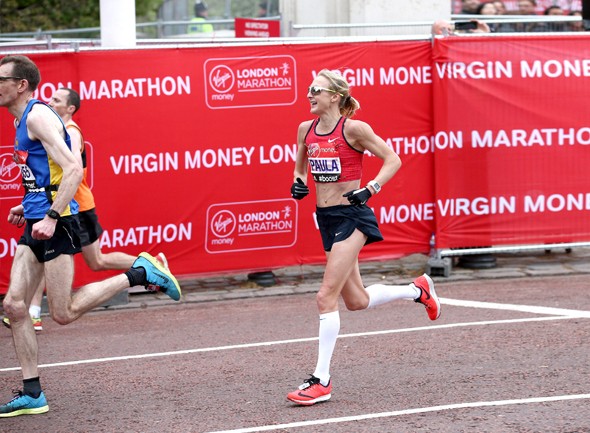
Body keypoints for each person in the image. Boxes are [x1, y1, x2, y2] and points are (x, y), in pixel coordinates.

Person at [0, 55, 181, 418]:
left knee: (63, 312)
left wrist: (52, 216)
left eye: (0, 79)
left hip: (57, 222)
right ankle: (33, 393)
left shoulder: (36, 116)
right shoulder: (20, 118)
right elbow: (45, 174)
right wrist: (28, 203)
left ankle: (140, 274)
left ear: (21, 85)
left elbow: (73, 168)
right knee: (14, 307)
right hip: (36, 218)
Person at [286, 69, 441, 406]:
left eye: (316, 90)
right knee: (356, 301)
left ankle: (321, 380)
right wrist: (298, 181)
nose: (309, 95)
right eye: (309, 89)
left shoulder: (354, 129)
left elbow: (392, 159)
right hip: (326, 219)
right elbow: (300, 167)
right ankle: (418, 290)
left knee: (325, 296)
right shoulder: (305, 130)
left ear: (335, 96)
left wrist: (370, 189)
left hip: (352, 217)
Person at [2, 87, 169, 333]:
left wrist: (51, 209)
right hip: (55, 204)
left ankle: (150, 266)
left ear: (70, 108)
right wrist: (29, 202)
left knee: (92, 261)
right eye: (51, 98)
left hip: (71, 206)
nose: (50, 102)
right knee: (59, 257)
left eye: (57, 100)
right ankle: (31, 310)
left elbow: (70, 170)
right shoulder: (46, 124)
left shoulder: (70, 131)